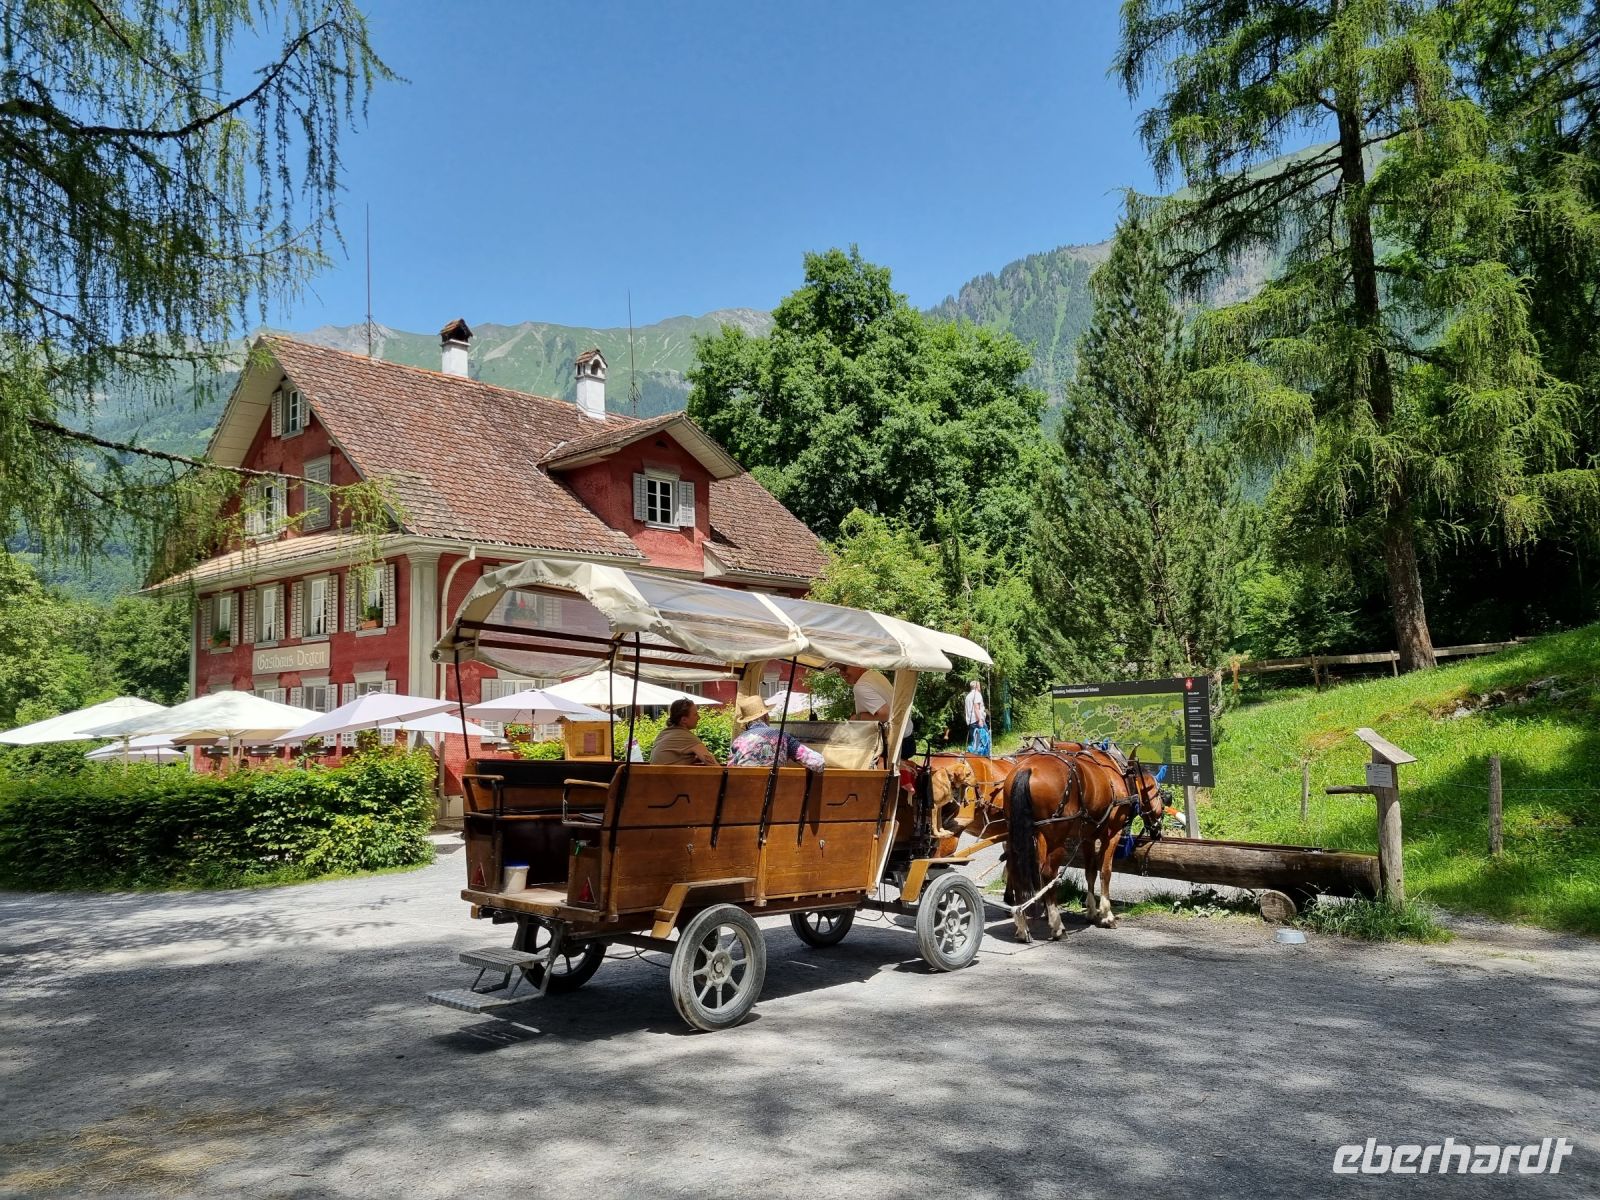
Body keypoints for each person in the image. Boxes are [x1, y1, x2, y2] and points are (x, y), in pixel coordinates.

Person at [727, 695, 825, 771]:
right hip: (776, 791)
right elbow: (817, 763)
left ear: (746, 722)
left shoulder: (738, 741)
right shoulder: (782, 736)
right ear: (766, 716)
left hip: (745, 790)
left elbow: (730, 771)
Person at [649, 699, 719, 766]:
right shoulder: (689, 738)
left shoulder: (663, 734)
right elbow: (715, 767)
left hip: (653, 774)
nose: (699, 717)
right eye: (695, 714)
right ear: (684, 720)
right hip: (673, 775)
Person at [964, 678, 991, 756]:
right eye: (979, 685)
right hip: (977, 721)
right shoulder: (977, 694)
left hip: (971, 722)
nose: (980, 687)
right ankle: (985, 758)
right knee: (984, 741)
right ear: (976, 686)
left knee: (974, 742)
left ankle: (974, 758)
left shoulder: (968, 696)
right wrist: (980, 720)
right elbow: (976, 707)